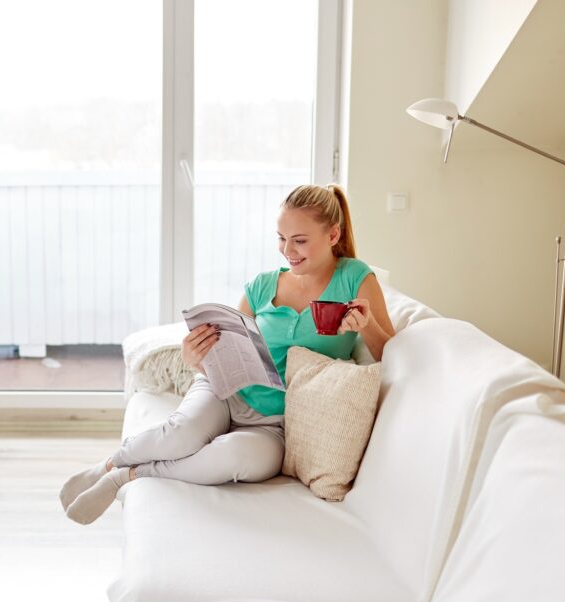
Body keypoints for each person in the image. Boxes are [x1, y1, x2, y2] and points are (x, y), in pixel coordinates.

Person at [60, 184, 396, 524]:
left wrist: (365, 326)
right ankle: (110, 463)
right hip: (226, 392)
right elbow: (232, 348)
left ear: (333, 234)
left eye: (299, 240)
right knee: (182, 435)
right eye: (281, 238)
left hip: (276, 426)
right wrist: (198, 360)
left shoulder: (355, 277)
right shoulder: (263, 285)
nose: (287, 250)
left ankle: (128, 475)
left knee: (232, 458)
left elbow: (392, 352)